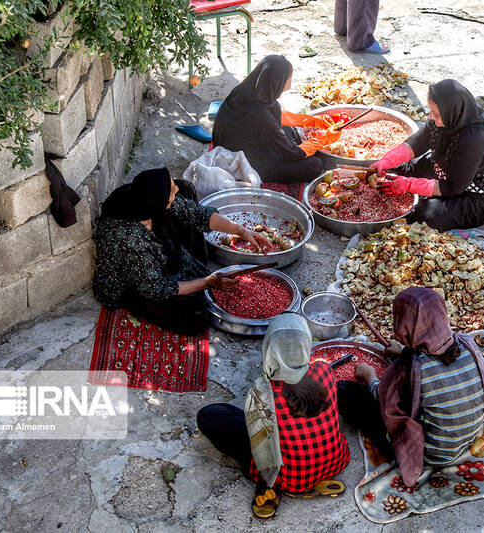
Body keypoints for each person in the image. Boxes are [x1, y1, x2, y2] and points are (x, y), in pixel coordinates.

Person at [337, 287, 484, 487]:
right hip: (471, 436)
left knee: (344, 392)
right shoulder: (466, 342)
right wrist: (402, 352)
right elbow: (441, 367)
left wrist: (371, 377)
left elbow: (387, 403)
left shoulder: (412, 366)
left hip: (431, 455)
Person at [197, 313, 350, 519]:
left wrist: (265, 479)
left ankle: (271, 489)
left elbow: (264, 450)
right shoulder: (324, 370)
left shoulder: (262, 393)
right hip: (337, 460)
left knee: (210, 416)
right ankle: (317, 479)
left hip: (294, 480)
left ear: (269, 348)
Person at [93, 168, 274, 335]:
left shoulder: (143, 198)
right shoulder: (132, 240)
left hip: (147, 256)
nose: (176, 190)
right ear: (158, 204)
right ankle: (189, 274)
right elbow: (157, 289)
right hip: (133, 285)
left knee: (186, 188)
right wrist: (206, 282)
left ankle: (188, 269)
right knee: (196, 316)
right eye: (172, 190)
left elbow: (197, 214)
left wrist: (243, 231)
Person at [371, 79, 484, 232]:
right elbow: (417, 142)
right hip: (447, 170)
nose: (431, 117)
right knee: (394, 172)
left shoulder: (475, 139)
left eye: (436, 114)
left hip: (478, 197)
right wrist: (387, 160)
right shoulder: (448, 116)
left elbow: (452, 187)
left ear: (452, 112)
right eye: (431, 112)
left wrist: (409, 185)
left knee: (426, 214)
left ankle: (425, 203)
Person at [212, 55, 340, 184]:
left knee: (281, 117)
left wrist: (311, 120)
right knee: (315, 164)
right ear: (275, 82)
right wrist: (322, 140)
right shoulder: (260, 116)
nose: (289, 87)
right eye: (288, 81)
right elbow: (293, 153)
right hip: (244, 162)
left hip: (240, 140)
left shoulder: (248, 89)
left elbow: (273, 115)